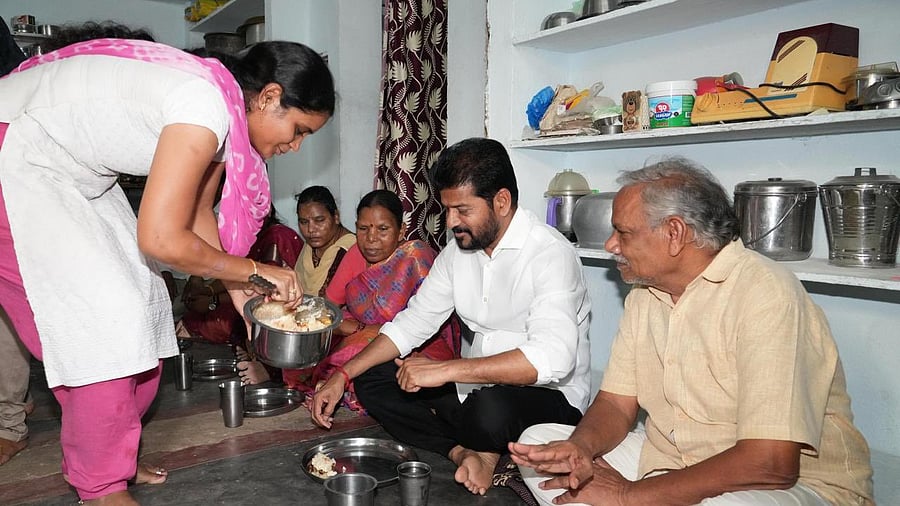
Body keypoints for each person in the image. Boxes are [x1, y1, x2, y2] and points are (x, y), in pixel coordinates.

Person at [0, 26, 334, 505]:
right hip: (17, 156)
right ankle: (100, 485)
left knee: (148, 300)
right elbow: (159, 238)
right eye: (299, 130)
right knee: (101, 321)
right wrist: (253, 271)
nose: (296, 146)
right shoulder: (204, 107)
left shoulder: (219, 107)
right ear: (269, 97)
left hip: (72, 172)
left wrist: (244, 301)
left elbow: (197, 214)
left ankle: (115, 451)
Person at [509, 158, 874, 506]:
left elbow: (771, 463)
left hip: (790, 486)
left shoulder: (765, 293)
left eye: (622, 232)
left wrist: (628, 495)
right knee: (541, 447)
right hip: (670, 460)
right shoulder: (645, 294)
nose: (611, 245)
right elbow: (616, 404)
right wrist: (582, 448)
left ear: (674, 233)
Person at [311, 137, 592, 496]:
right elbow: (413, 322)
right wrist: (342, 374)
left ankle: (482, 447)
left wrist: (445, 370)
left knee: (488, 411)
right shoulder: (458, 254)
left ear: (501, 202)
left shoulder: (550, 255)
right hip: (473, 390)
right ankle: (461, 451)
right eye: (446, 209)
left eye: (462, 210)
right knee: (374, 380)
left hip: (547, 397)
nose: (451, 222)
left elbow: (552, 358)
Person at [285, 189, 459, 410]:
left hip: (417, 346)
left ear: (400, 231)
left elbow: (425, 325)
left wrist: (372, 331)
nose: (371, 239)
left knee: (356, 352)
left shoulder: (416, 258)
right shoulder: (355, 254)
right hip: (365, 336)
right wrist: (350, 326)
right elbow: (325, 310)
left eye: (383, 229)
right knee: (305, 350)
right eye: (363, 229)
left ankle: (340, 385)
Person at [294, 185, 356, 297]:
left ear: (336, 217)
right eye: (304, 222)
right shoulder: (309, 247)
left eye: (319, 220)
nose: (311, 229)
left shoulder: (350, 250)